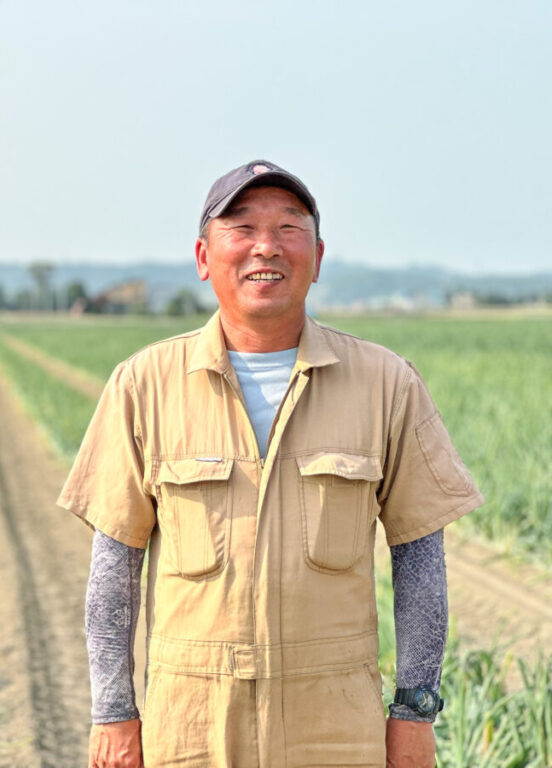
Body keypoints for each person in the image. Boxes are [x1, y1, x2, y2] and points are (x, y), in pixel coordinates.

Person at [58, 160, 484, 767]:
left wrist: (415, 711)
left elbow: (419, 558)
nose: (267, 245)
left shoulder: (385, 383)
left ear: (317, 255)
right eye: (243, 227)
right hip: (193, 722)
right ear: (205, 257)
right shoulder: (143, 385)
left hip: (335, 723)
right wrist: (113, 712)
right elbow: (113, 569)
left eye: (289, 227)